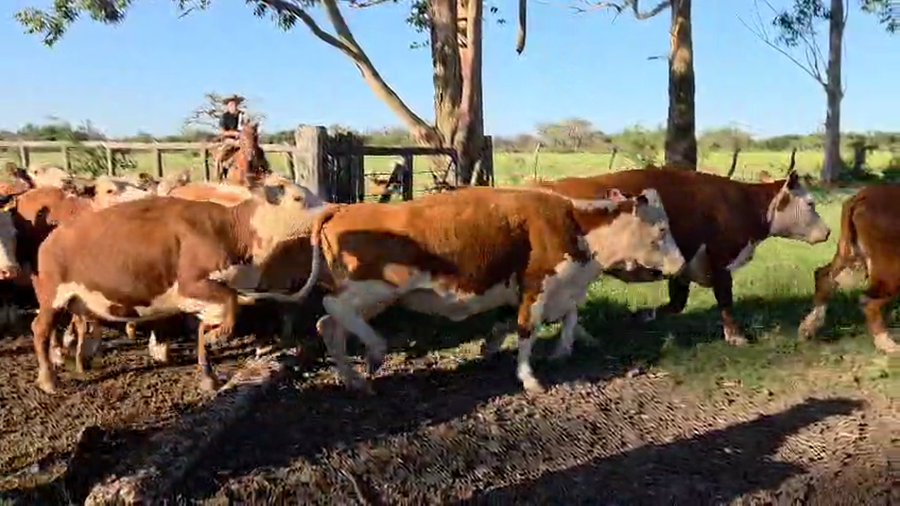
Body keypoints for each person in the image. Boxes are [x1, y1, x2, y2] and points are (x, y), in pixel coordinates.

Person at [214, 94, 246, 180]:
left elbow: (245, 127)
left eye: (235, 104)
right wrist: (234, 133)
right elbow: (223, 132)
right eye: (231, 104)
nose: (234, 106)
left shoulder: (241, 115)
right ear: (228, 106)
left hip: (242, 140)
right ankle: (218, 178)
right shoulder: (224, 116)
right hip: (229, 140)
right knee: (218, 159)